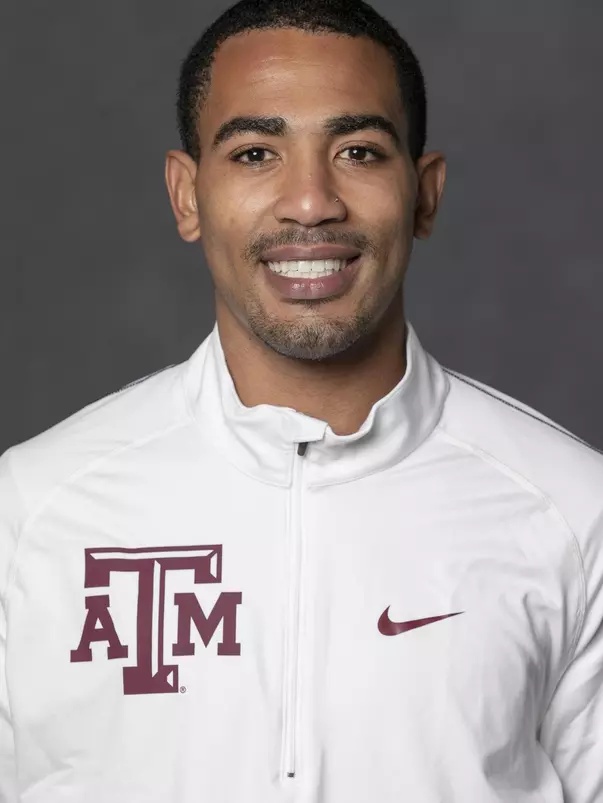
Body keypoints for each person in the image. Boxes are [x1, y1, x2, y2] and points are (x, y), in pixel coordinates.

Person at [1, 0, 602, 800]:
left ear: (424, 195)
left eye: (357, 150)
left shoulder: (574, 509)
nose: (311, 201)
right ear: (186, 195)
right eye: (255, 153)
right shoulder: (30, 512)